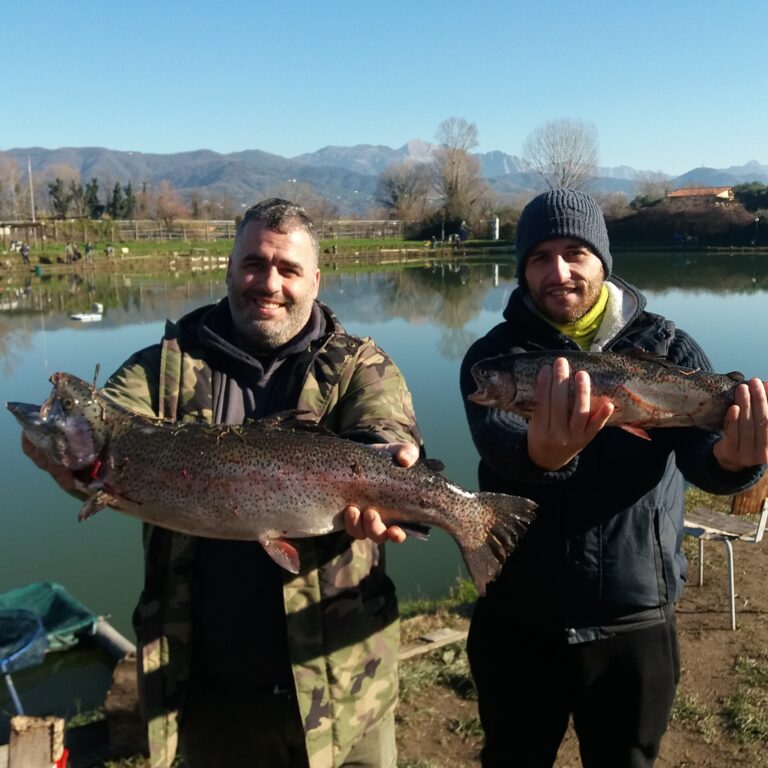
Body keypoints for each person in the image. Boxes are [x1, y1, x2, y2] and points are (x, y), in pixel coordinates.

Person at [23, 198, 421, 768]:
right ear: (229, 269)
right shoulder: (157, 369)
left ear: (315, 279)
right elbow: (103, 444)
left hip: (347, 682)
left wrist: (394, 470)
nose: (269, 283)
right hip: (208, 690)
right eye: (254, 264)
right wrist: (66, 456)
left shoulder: (360, 365)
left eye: (288, 269)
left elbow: (385, 430)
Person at [459, 188, 768, 768]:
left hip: (635, 614)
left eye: (575, 251)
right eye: (539, 257)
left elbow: (705, 458)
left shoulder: (671, 347)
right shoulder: (495, 358)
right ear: (522, 268)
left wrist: (734, 460)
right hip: (519, 616)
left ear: (603, 259)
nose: (558, 271)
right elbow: (500, 448)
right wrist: (543, 456)